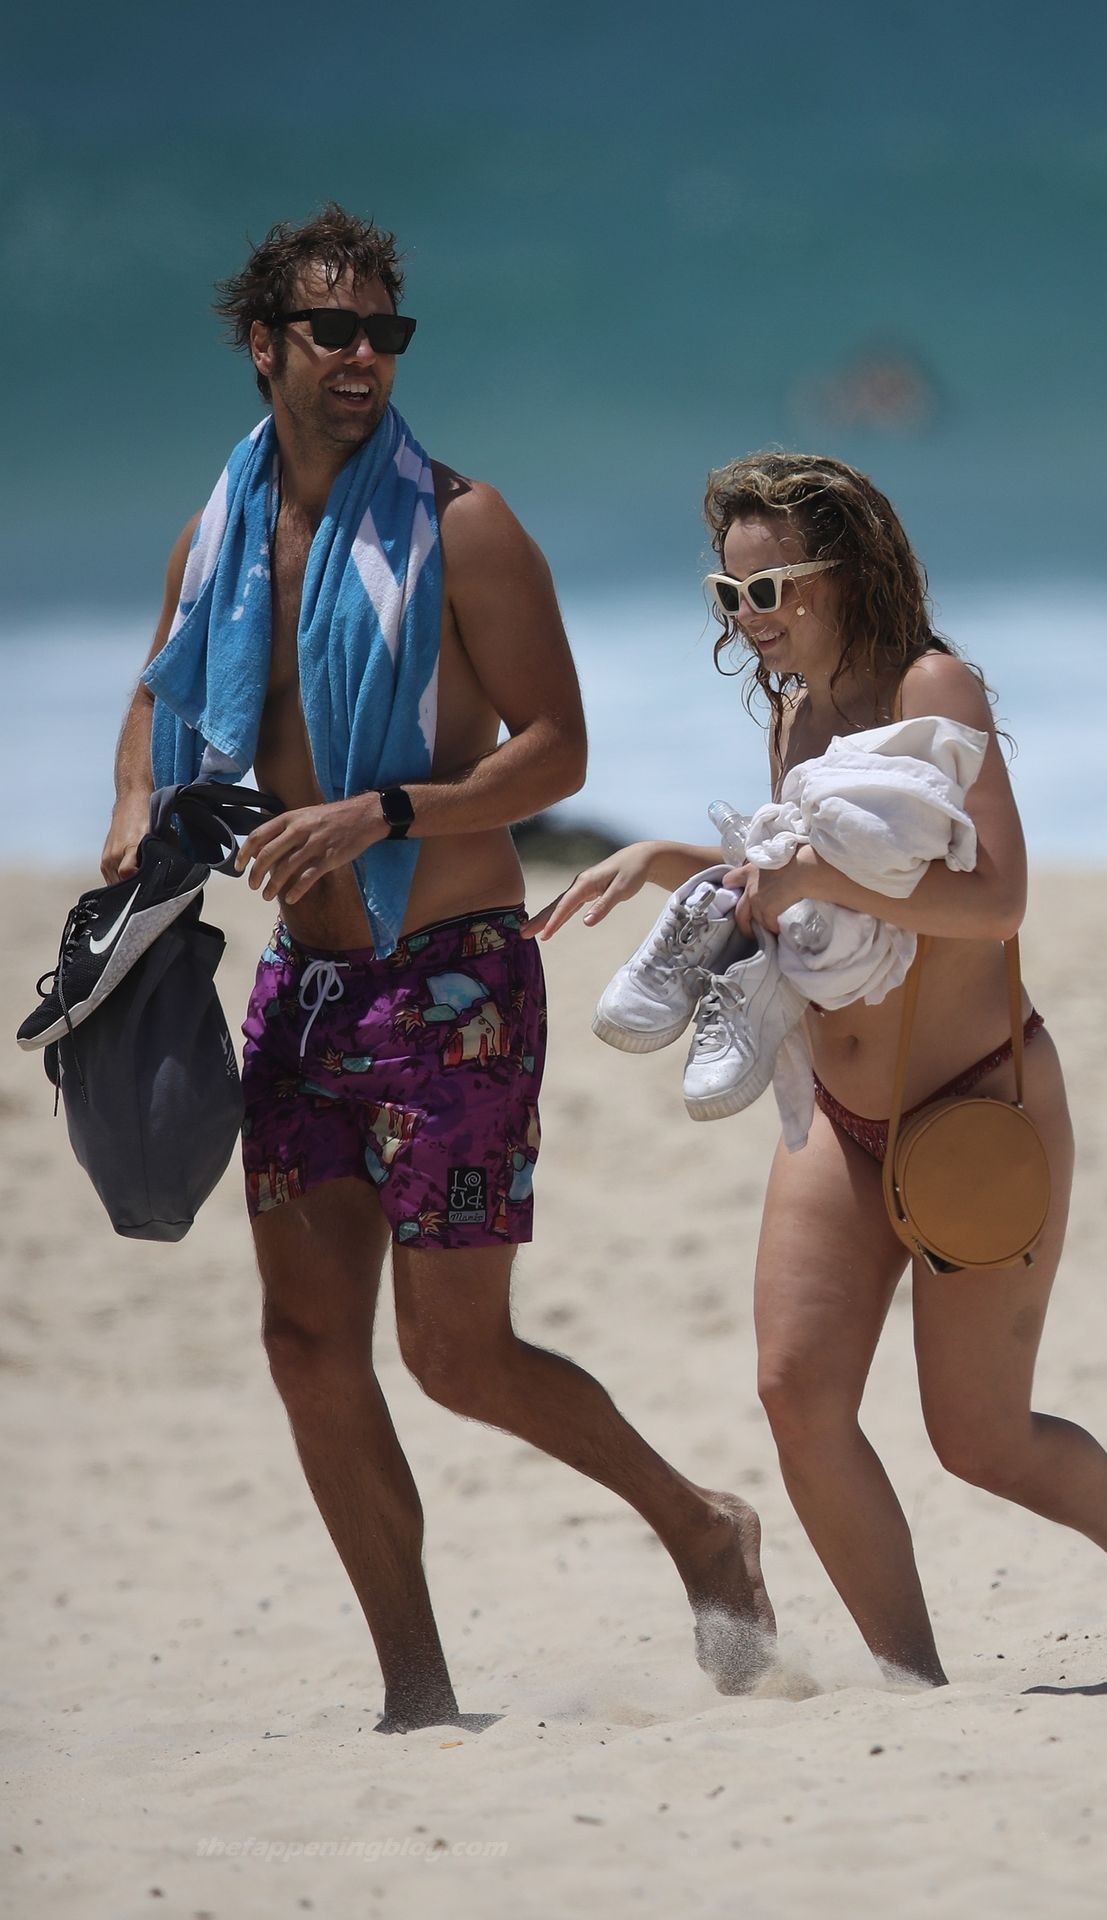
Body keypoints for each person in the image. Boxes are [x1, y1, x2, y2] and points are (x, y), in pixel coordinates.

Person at [101, 207, 773, 1731]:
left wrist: (383, 810)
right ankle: (416, 1691)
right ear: (262, 344)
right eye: (332, 330)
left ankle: (700, 1525)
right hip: (306, 986)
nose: (363, 357)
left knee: (456, 1356)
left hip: (452, 981)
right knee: (303, 1345)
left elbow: (559, 748)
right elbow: (157, 689)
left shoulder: (465, 526)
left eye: (385, 334)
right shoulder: (219, 533)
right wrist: (135, 807)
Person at [527, 451, 1107, 1685]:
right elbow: (810, 902)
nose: (747, 619)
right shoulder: (791, 714)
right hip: (838, 1113)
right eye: (728, 595)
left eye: (769, 590)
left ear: (845, 572)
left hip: (975, 1105)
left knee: (979, 1439)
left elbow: (996, 901)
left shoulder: (932, 687)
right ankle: (909, 1687)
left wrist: (812, 874)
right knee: (794, 1395)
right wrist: (671, 862)